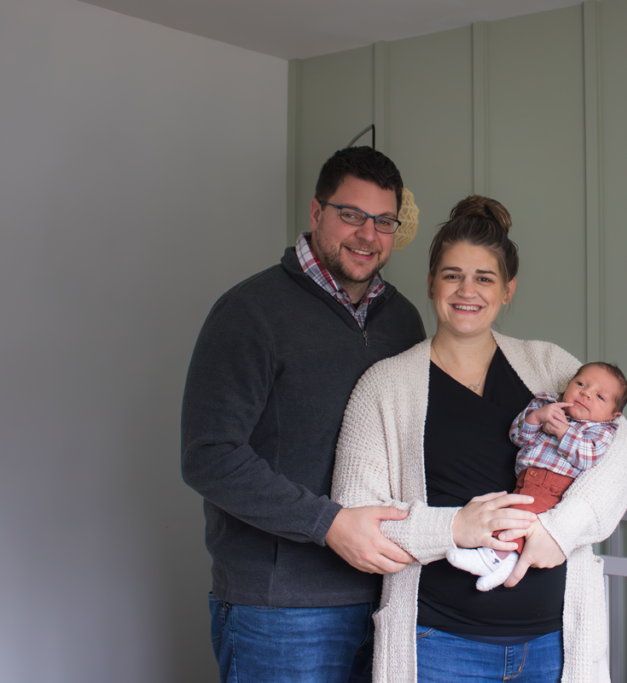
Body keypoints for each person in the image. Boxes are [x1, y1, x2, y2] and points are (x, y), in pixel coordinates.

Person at [331, 196, 627, 683]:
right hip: (438, 646)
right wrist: (453, 527)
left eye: (484, 277)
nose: (466, 290)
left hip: (553, 645)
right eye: (452, 274)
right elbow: (355, 515)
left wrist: (558, 533)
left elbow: (625, 452)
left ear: (508, 290)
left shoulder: (546, 364)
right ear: (432, 281)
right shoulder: (386, 386)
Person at [181, 146, 426, 683]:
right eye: (351, 215)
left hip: (390, 597)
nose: (368, 235)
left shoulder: (405, 321)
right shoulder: (250, 311)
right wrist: (329, 524)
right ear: (316, 214)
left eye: (384, 221)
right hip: (281, 609)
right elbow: (209, 457)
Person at [447, 361, 627, 591]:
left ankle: (492, 557)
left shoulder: (601, 430)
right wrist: (536, 417)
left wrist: (564, 432)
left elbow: (587, 457)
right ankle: (505, 564)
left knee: (519, 520)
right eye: (581, 383)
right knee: (507, 516)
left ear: (614, 415)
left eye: (600, 396)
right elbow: (517, 437)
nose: (586, 393)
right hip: (527, 480)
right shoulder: (546, 404)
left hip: (556, 486)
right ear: (568, 384)